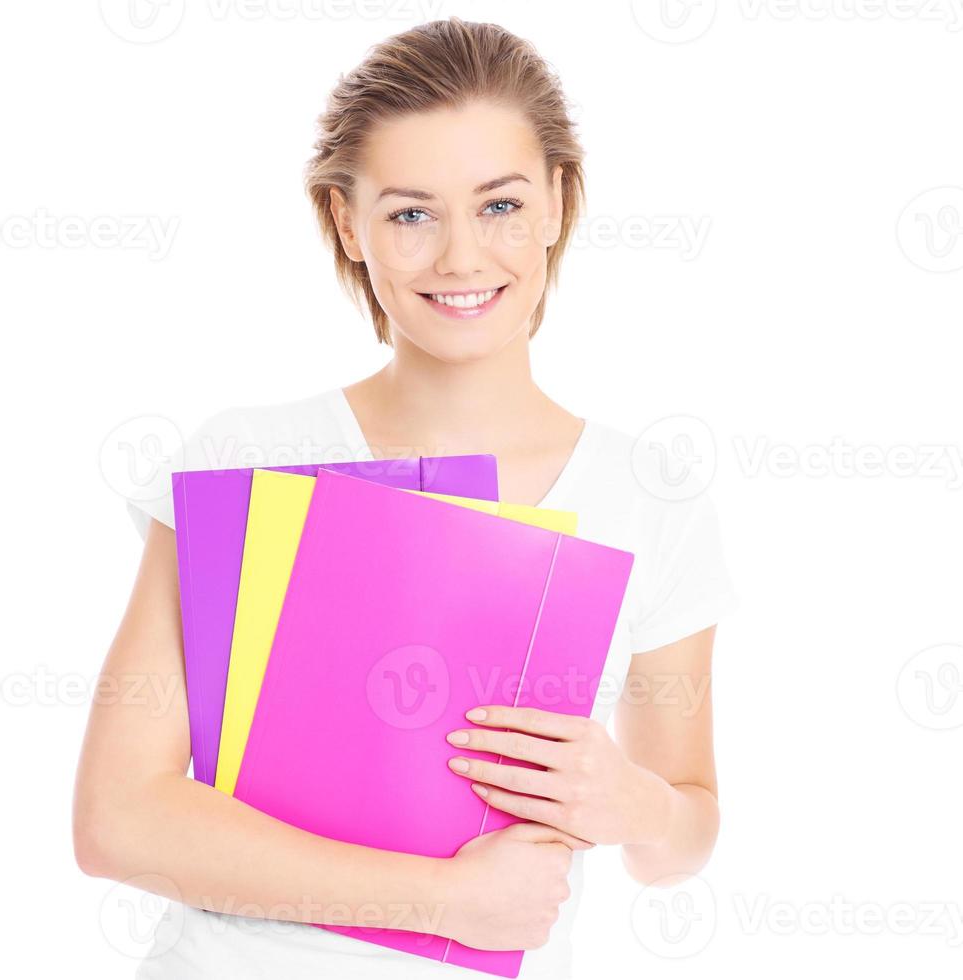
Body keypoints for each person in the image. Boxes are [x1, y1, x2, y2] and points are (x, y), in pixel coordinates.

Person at [73, 17, 736, 979]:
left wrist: (630, 804)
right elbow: (116, 820)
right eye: (412, 214)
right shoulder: (249, 458)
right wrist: (446, 902)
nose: (463, 259)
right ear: (348, 222)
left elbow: (685, 831)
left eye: (501, 204)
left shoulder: (651, 496)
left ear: (557, 200)